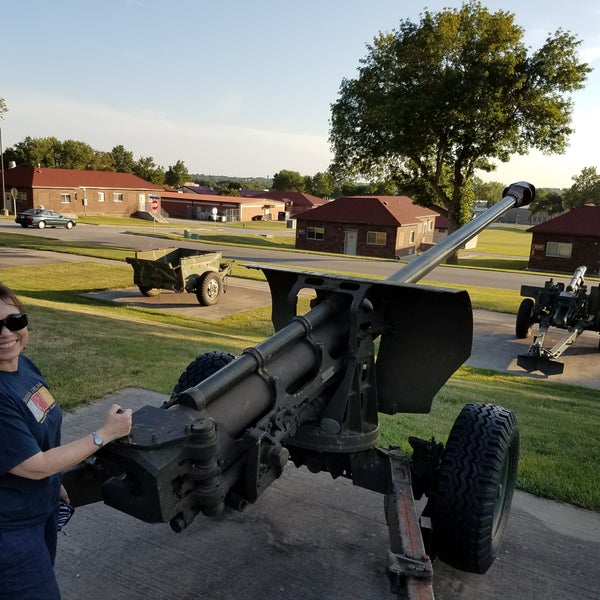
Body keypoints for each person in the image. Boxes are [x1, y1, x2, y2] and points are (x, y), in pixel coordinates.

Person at [0, 282, 132, 599]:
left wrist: (54, 481)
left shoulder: (24, 368)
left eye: (14, 321)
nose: (6, 334)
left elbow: (39, 440)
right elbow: (34, 467)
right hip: (10, 529)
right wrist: (105, 434)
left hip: (38, 512)